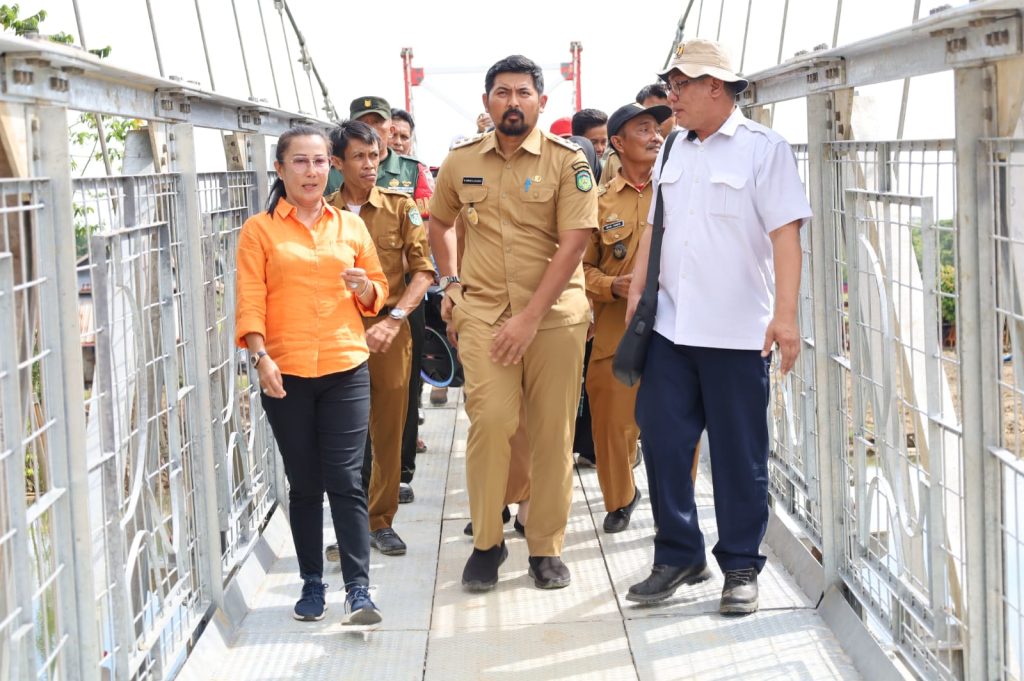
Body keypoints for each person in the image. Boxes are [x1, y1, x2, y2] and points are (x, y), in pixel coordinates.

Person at [624, 39, 811, 615]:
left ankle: (740, 566)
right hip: (671, 328)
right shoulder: (673, 147)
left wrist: (785, 315)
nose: (672, 96)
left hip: (737, 333)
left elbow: (786, 235)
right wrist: (637, 291)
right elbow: (655, 227)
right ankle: (679, 554)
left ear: (716, 87)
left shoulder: (764, 149)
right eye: (671, 84)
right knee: (661, 439)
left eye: (681, 85)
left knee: (738, 455)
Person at [429, 54, 597, 592]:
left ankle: (545, 547)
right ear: (487, 102)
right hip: (482, 313)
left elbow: (575, 244)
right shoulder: (460, 161)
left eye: (524, 93)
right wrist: (450, 282)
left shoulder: (568, 162)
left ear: (541, 102)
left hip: (554, 318)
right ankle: (487, 542)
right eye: (502, 93)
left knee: (552, 433)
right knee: (491, 423)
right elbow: (440, 222)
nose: (513, 102)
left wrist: (528, 318)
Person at [235, 125, 386, 625]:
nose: (311, 171)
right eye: (300, 161)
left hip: (346, 366)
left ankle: (359, 591)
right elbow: (250, 299)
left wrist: (365, 288)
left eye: (320, 161)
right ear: (280, 169)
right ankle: (312, 583)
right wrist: (260, 357)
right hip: (286, 372)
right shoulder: (259, 231)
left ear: (331, 167)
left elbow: (377, 291)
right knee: (304, 483)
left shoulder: (351, 226)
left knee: (346, 478)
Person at [326, 121, 435, 557]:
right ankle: (349, 526)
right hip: (336, 334)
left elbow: (423, 272)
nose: (370, 165)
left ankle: (380, 521)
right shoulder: (321, 213)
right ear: (337, 163)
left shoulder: (399, 206)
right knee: (343, 435)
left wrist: (395, 319)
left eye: (375, 156)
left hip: (388, 332)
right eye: (359, 157)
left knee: (388, 429)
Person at [582, 102, 670, 533]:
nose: (656, 137)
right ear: (617, 142)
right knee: (612, 425)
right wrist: (611, 286)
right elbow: (578, 269)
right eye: (644, 129)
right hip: (616, 329)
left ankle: (675, 505)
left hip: (673, 328)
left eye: (658, 129)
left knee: (676, 424)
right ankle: (620, 498)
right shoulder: (596, 204)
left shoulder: (677, 191)